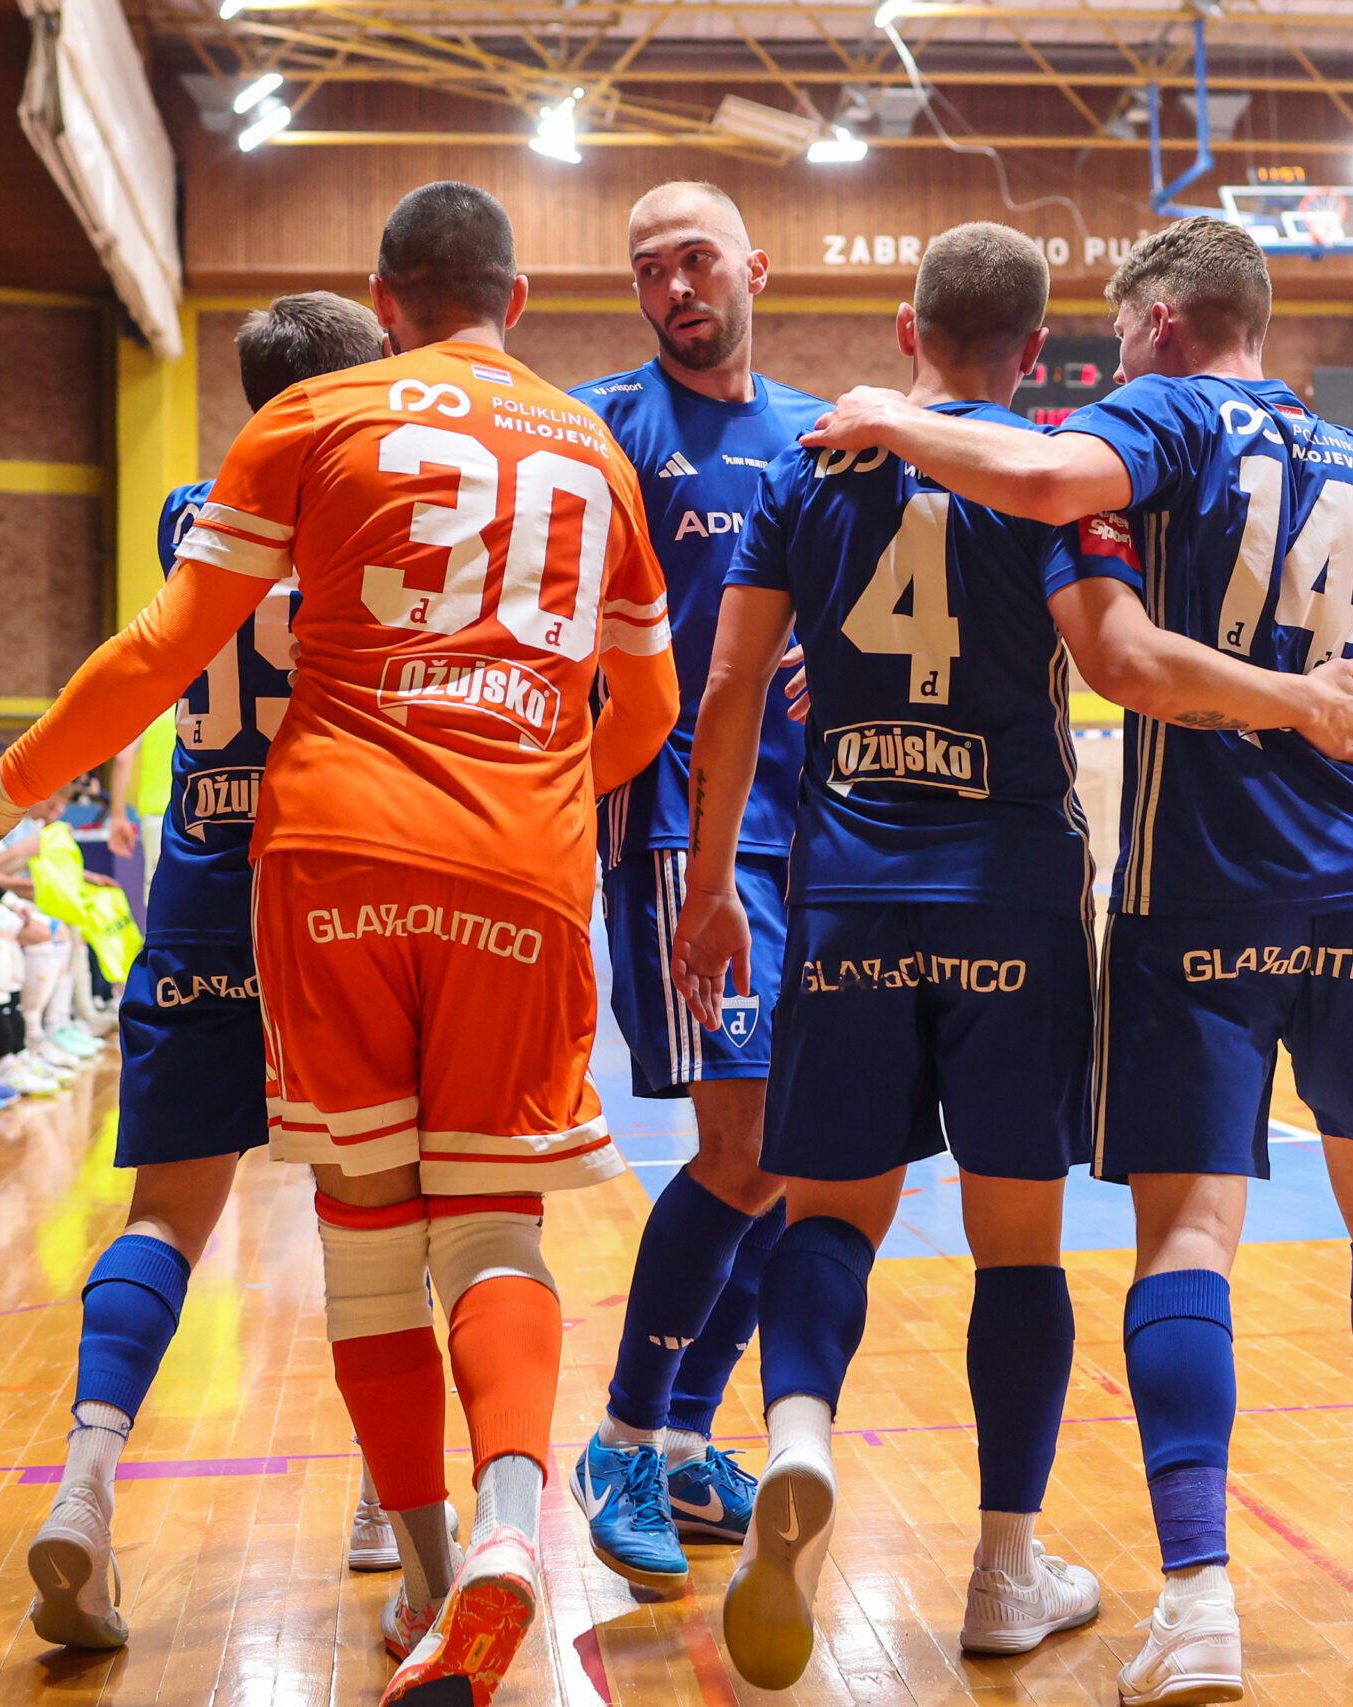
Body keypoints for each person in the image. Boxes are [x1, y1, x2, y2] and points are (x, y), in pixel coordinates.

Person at [0, 181, 681, 1707]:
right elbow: (647, 706)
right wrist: (541, 791)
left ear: (385, 303)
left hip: (319, 860)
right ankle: (512, 1522)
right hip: (520, 868)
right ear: (517, 301)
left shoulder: (308, 425)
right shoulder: (597, 451)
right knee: (496, 1225)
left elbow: (160, 647)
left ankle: (429, 1571)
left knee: (363, 1229)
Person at [669, 222, 1353, 1687]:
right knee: (1020, 1245)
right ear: (1039, 346)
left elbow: (733, 681)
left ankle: (798, 1435)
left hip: (849, 887)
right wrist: (1302, 701)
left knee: (831, 1213)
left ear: (906, 328)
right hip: (1013, 891)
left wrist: (708, 882)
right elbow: (1117, 658)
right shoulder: (1052, 474)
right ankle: (1006, 1567)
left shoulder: (809, 464)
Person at [11, 291, 396, 1652]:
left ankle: (86, 1479)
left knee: (165, 1218)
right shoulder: (385, 513)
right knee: (378, 1219)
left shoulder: (191, 513)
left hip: (199, 898)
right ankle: (389, 1502)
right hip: (335, 894)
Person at [563, 179, 826, 1591]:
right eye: (650, 269)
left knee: (791, 1154)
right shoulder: (600, 426)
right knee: (746, 1144)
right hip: (678, 825)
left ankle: (677, 1437)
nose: (674, 288)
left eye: (697, 260)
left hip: (819, 831)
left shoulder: (816, 435)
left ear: (754, 269)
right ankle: (622, 1433)